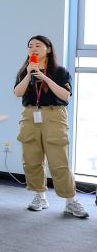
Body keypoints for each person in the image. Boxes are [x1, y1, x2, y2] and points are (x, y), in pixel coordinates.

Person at [13, 35, 88, 218]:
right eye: (30, 46)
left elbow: (65, 95)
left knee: (59, 161)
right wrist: (29, 74)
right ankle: (40, 197)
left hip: (54, 115)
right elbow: (17, 92)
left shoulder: (60, 71)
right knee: (31, 160)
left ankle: (71, 201)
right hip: (30, 116)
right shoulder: (24, 71)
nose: (33, 48)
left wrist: (45, 78)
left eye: (38, 45)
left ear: (48, 49)